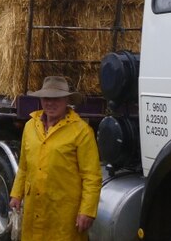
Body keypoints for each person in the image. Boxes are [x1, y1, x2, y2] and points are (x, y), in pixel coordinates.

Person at [9, 76, 102, 241]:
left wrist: (87, 211)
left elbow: (92, 176)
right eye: (46, 98)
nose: (50, 103)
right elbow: (24, 166)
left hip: (64, 213)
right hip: (34, 209)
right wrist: (16, 194)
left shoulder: (82, 131)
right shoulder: (30, 126)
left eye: (56, 99)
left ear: (67, 100)